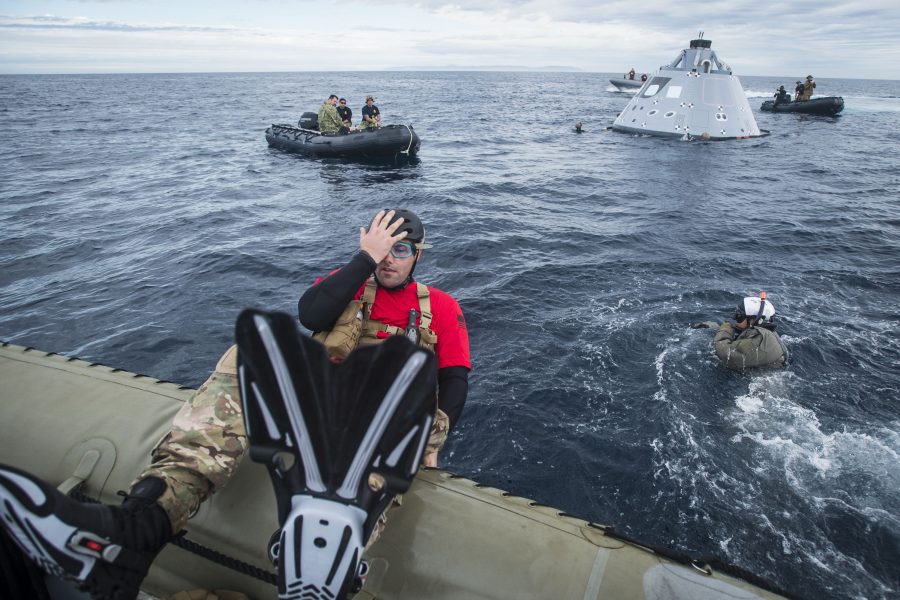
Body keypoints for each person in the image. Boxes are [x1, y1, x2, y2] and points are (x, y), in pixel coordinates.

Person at [0, 209, 470, 600]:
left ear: (419, 255)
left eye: (402, 249)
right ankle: (143, 524)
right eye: (383, 246)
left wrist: (434, 437)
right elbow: (311, 315)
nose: (390, 258)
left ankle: (330, 558)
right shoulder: (346, 281)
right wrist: (361, 260)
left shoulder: (442, 308)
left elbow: (453, 380)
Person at [693, 292, 788, 371]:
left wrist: (725, 329)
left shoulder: (759, 339)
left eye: (739, 317)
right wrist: (712, 326)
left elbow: (726, 355)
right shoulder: (765, 333)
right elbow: (741, 338)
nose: (735, 319)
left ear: (753, 320)